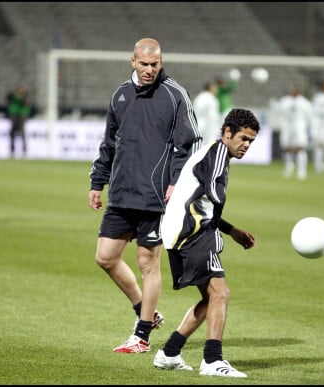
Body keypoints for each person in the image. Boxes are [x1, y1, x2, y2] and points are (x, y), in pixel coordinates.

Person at [88, 38, 202, 353]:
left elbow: (189, 143)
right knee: (105, 257)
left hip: (155, 196)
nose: (150, 70)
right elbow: (109, 143)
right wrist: (98, 181)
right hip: (122, 191)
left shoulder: (175, 95)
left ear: (161, 62)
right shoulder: (120, 95)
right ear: (133, 62)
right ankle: (145, 312)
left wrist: (176, 182)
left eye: (155, 64)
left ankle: (141, 336)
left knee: (147, 262)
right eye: (144, 64)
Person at [153, 108, 259, 378]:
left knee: (210, 298)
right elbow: (213, 193)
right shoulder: (218, 155)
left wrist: (231, 230)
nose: (246, 145)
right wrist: (223, 228)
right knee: (220, 294)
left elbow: (203, 201)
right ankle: (212, 360)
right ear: (227, 132)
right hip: (194, 233)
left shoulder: (213, 153)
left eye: (251, 141)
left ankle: (169, 352)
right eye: (243, 138)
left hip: (178, 232)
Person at [276, 87, 313, 180]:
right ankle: (289, 167)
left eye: (295, 91)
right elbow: (279, 111)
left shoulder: (304, 103)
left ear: (299, 92)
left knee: (300, 147)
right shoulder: (285, 101)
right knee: (287, 148)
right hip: (287, 126)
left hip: (299, 127)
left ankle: (302, 170)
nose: (293, 92)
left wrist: (306, 126)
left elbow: (310, 115)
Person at [192, 81, 220, 147]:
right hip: (207, 126)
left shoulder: (199, 96)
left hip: (197, 124)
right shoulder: (211, 98)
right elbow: (213, 115)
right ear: (211, 88)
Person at [6, 85, 31, 159]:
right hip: (14, 115)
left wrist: (22, 97)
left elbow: (26, 104)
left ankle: (24, 150)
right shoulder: (13, 96)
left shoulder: (25, 97)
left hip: (22, 115)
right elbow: (8, 98)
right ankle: (12, 150)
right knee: (12, 133)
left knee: (22, 132)